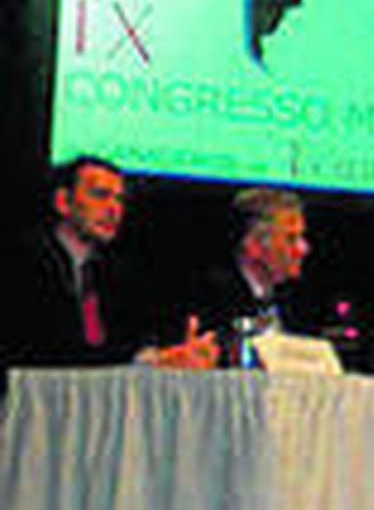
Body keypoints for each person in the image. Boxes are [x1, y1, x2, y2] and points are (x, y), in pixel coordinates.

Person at [5, 156, 216, 377]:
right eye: (100, 195)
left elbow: (133, 338)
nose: (114, 209)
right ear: (63, 202)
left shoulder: (117, 273)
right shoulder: (21, 263)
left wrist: (176, 355)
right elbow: (51, 350)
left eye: (119, 200)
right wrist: (148, 360)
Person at [188, 188, 312, 364]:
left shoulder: (298, 302)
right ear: (254, 245)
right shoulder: (210, 299)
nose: (303, 249)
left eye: (301, 237)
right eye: (290, 239)